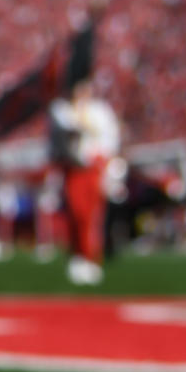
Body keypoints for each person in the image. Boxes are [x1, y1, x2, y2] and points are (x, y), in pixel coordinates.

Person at [49, 80, 120, 285]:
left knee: (91, 216)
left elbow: (108, 139)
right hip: (74, 169)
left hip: (93, 169)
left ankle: (90, 257)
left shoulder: (100, 110)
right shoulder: (62, 109)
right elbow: (68, 127)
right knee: (76, 212)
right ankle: (78, 255)